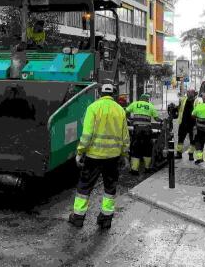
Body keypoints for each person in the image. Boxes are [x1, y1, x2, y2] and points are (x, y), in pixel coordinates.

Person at [68, 83, 129, 230]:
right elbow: (125, 136)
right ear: (113, 94)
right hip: (113, 157)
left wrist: (80, 151)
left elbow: (87, 134)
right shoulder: (120, 110)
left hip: (93, 156)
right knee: (110, 188)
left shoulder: (93, 108)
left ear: (100, 93)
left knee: (84, 186)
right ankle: (106, 219)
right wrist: (124, 154)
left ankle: (78, 218)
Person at [125, 93, 161, 174]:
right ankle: (147, 168)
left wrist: (127, 119)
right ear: (147, 99)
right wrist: (162, 121)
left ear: (140, 98)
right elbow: (156, 118)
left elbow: (125, 112)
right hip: (147, 131)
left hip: (137, 131)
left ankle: (134, 170)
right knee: (147, 149)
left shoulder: (135, 104)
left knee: (136, 149)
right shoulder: (150, 106)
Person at [175, 89, 201, 161]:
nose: (189, 94)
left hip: (193, 124)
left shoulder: (197, 101)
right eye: (188, 92)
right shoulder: (183, 100)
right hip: (183, 123)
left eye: (190, 92)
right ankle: (179, 153)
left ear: (194, 94)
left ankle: (191, 154)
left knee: (193, 141)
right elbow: (179, 107)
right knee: (180, 139)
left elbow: (199, 112)